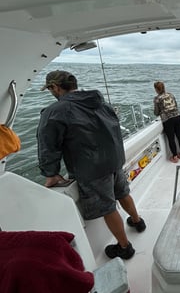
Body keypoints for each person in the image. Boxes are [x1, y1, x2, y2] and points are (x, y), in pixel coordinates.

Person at [37, 70, 146, 260]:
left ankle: (124, 247)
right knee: (123, 192)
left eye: (50, 89)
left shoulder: (55, 111)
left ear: (55, 87)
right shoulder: (98, 100)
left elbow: (48, 144)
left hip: (92, 168)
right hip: (114, 160)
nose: (50, 92)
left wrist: (51, 173)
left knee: (108, 207)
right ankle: (137, 222)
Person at [153, 81, 180, 163]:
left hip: (168, 120)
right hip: (178, 117)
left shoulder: (157, 99)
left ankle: (175, 157)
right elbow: (176, 105)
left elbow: (156, 112)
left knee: (171, 139)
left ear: (156, 89)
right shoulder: (171, 95)